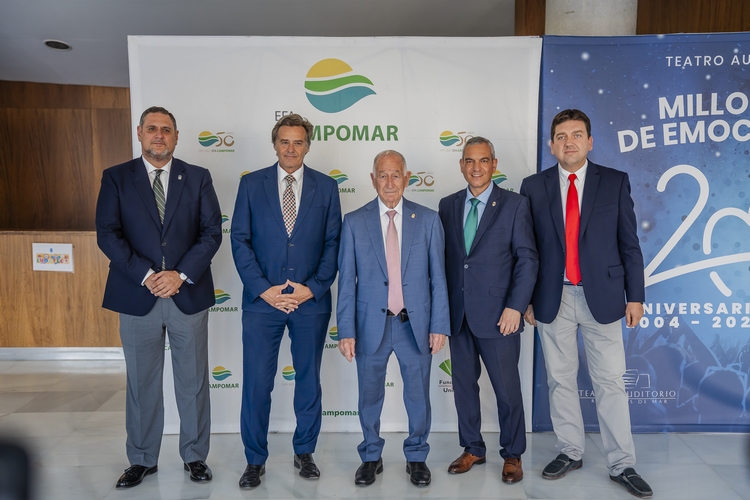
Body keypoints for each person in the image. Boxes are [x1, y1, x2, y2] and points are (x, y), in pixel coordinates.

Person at [520, 109, 653, 498]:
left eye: (577, 135)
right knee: (560, 380)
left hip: (605, 297)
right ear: (551, 145)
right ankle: (570, 451)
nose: (569, 142)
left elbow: (630, 244)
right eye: (561, 136)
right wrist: (526, 299)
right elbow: (526, 249)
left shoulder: (614, 181)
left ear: (590, 142)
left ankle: (622, 463)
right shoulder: (533, 186)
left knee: (610, 382)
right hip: (552, 296)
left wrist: (636, 296)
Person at [95, 106, 221, 488]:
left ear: (176, 136)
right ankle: (142, 459)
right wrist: (148, 275)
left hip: (187, 293)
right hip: (138, 295)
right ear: (139, 133)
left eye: (166, 129)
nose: (159, 135)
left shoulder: (198, 177)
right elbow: (108, 234)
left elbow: (211, 233)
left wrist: (178, 275)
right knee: (141, 383)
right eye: (152, 128)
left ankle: (195, 457)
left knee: (193, 382)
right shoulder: (116, 177)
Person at [230, 113, 341, 489]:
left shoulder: (327, 187)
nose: (291, 148)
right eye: (284, 141)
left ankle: (305, 451)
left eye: (298, 142)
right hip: (262, 302)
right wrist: (264, 289)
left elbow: (333, 243)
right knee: (256, 383)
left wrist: (313, 287)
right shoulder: (251, 184)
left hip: (310, 302)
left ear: (308, 146)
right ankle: (254, 460)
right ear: (275, 144)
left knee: (308, 380)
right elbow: (240, 239)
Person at [337, 150, 449, 487]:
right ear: (373, 180)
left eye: (395, 174)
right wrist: (346, 330)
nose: (389, 182)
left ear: (407, 178)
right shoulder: (354, 222)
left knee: (418, 396)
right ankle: (371, 455)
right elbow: (346, 281)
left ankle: (416, 456)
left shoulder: (428, 220)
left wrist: (439, 325)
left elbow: (438, 278)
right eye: (382, 175)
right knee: (369, 395)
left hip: (414, 325)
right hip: (370, 325)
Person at [438, 136, 538, 484]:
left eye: (483, 160)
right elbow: (449, 261)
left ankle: (512, 454)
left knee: (507, 391)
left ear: (494, 164)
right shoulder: (448, 205)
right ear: (461, 165)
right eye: (469, 161)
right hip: (458, 315)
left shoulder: (514, 204)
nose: (476, 167)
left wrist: (515, 306)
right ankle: (472, 448)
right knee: (464, 387)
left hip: (500, 316)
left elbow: (527, 259)